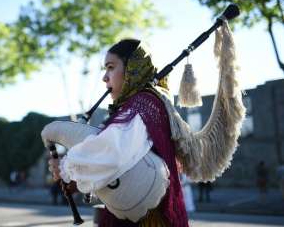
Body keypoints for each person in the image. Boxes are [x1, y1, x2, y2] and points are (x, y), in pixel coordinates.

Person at [46, 39, 189, 226]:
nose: (105, 77)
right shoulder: (139, 105)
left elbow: (113, 153)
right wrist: (78, 180)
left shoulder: (144, 104)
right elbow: (126, 171)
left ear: (131, 70)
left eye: (111, 67)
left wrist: (67, 167)